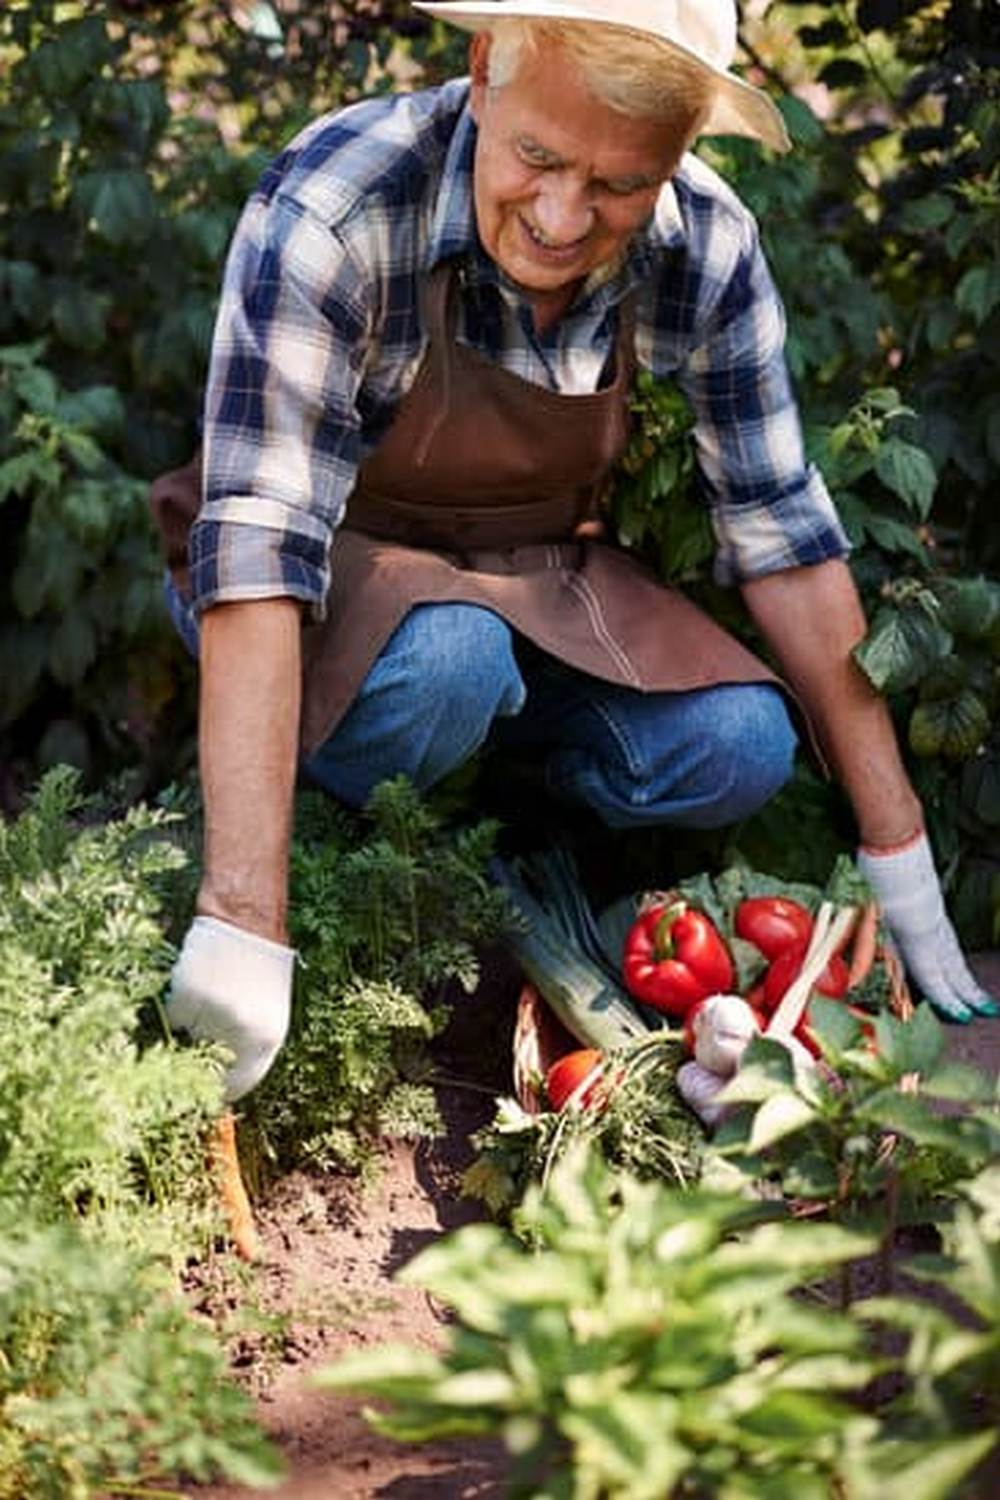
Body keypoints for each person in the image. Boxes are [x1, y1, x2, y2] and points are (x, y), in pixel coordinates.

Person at [156, 0, 997, 1105]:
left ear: (677, 156)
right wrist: (243, 917)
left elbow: (782, 534)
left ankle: (509, 826)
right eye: (537, 158)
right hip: (313, 587)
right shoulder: (342, 203)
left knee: (741, 741)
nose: (560, 217)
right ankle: (332, 822)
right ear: (481, 71)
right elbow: (260, 551)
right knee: (449, 665)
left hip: (526, 585)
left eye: (615, 185)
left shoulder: (705, 241)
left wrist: (899, 858)